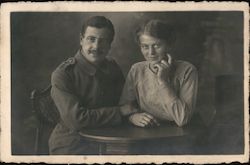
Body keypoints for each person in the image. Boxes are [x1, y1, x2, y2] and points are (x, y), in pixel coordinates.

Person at [49, 16, 136, 155]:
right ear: (81, 39)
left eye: (103, 41)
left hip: (112, 140)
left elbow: (126, 102)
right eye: (91, 39)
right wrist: (120, 112)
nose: (96, 47)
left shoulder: (112, 68)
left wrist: (131, 115)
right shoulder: (63, 74)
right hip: (73, 145)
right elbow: (76, 120)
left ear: (110, 44)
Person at [120, 19, 198, 128]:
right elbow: (125, 107)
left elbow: (182, 119)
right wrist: (133, 117)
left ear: (169, 45)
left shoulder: (187, 70)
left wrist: (163, 81)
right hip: (146, 130)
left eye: (156, 46)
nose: (151, 53)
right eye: (145, 47)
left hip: (179, 133)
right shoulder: (137, 69)